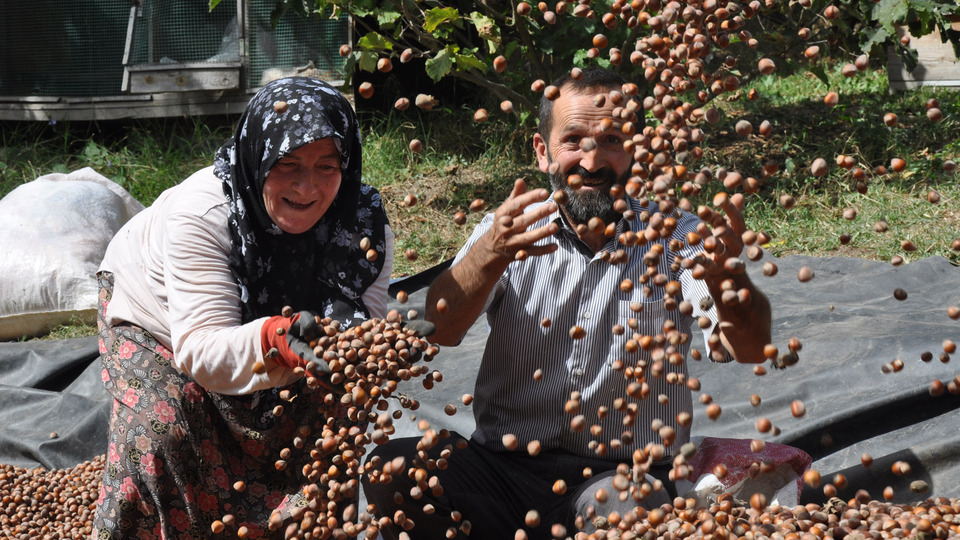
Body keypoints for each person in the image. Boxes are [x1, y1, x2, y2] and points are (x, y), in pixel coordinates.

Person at [362, 67, 772, 539]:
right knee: (394, 469)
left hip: (618, 477)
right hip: (502, 468)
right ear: (543, 152)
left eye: (613, 140)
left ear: (634, 152)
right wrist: (489, 254)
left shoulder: (677, 237)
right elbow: (442, 327)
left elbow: (749, 348)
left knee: (632, 511)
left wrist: (724, 277)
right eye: (573, 140)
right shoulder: (510, 231)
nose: (592, 161)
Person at [92, 77, 394, 538]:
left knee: (334, 416)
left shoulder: (363, 223)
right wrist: (275, 340)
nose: (306, 187)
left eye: (326, 167)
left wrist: (381, 346)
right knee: (166, 430)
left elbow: (359, 332)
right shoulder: (205, 214)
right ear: (256, 157)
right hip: (157, 314)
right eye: (286, 164)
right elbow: (201, 349)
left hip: (280, 332)